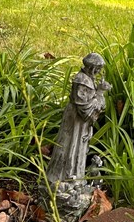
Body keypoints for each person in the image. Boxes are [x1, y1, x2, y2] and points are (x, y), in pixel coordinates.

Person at [45, 52, 110, 186]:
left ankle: (72, 177)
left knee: (75, 147)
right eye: (97, 69)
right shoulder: (82, 81)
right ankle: (64, 177)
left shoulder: (88, 79)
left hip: (79, 122)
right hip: (76, 121)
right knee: (70, 146)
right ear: (91, 67)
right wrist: (100, 93)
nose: (98, 72)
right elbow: (85, 110)